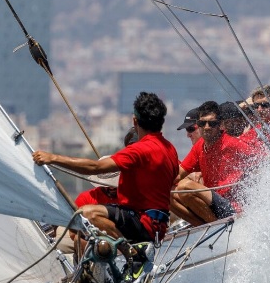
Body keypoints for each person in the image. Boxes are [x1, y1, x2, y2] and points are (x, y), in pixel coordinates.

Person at [33, 91, 178, 243]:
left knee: (85, 214)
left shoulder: (139, 150)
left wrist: (53, 158)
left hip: (142, 223)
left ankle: (130, 253)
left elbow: (95, 167)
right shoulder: (170, 149)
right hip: (158, 226)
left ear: (135, 121)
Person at [169, 101, 252, 226]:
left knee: (185, 186)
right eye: (202, 123)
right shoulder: (199, 147)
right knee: (167, 192)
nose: (207, 127)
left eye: (212, 123)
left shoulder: (233, 144)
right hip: (211, 205)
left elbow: (264, 162)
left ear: (220, 124)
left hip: (233, 206)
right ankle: (206, 228)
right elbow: (177, 174)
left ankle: (216, 228)